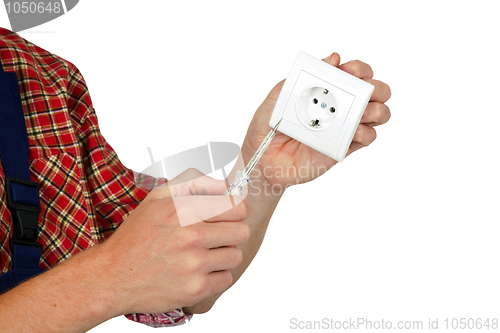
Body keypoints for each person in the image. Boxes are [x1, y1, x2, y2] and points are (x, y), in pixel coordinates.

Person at [0, 27, 391, 332]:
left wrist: (262, 174)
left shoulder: (39, 77)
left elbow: (172, 273)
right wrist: (107, 279)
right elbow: (123, 266)